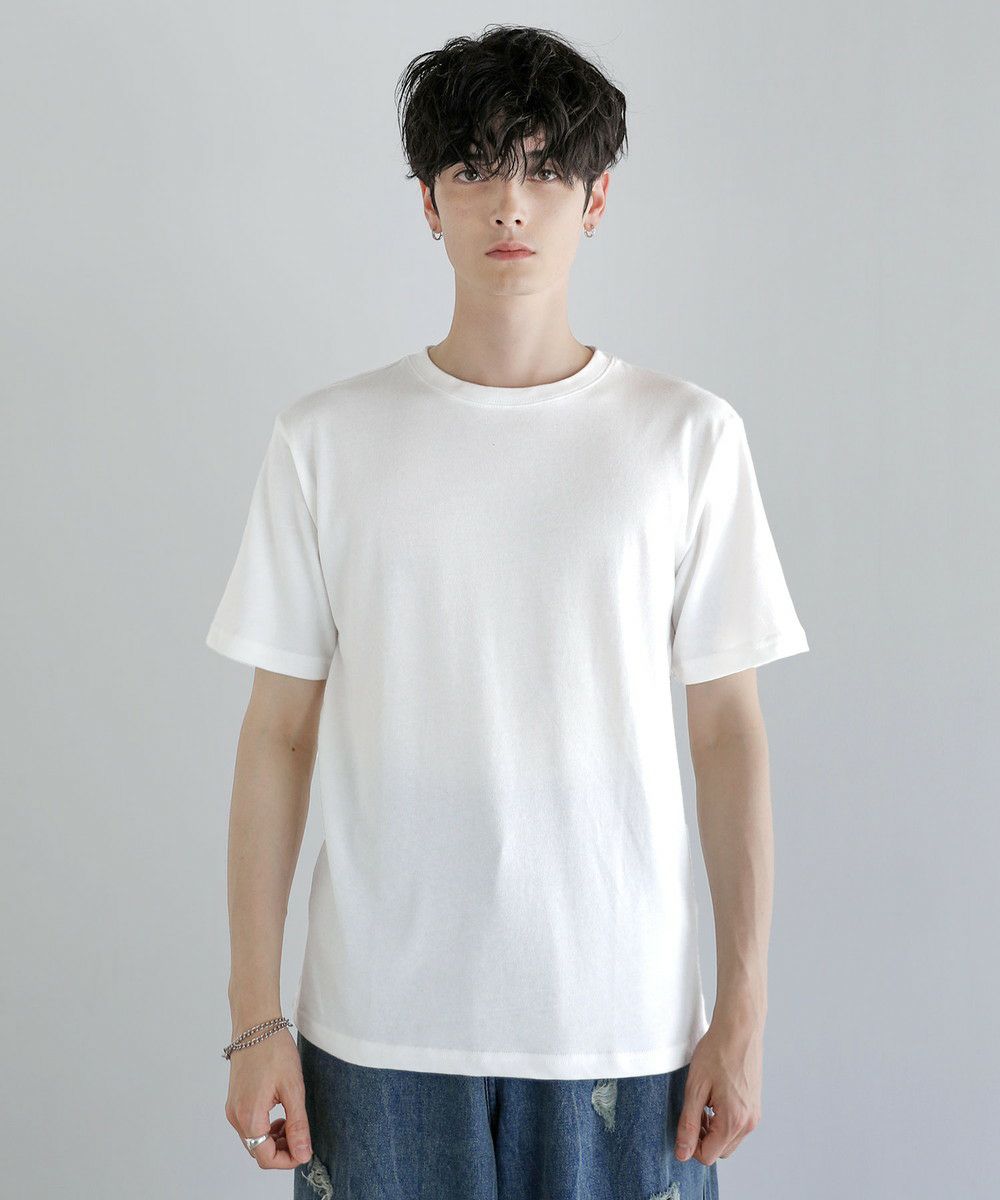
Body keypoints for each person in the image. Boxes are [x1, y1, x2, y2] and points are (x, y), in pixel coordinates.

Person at [206, 24, 809, 1199]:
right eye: (474, 169)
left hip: (622, 1029)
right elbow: (276, 734)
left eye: (543, 169)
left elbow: (727, 734)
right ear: (428, 203)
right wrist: (252, 1018)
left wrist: (740, 1012)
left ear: (596, 199)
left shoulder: (686, 439)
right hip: (376, 1031)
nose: (509, 203)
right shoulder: (326, 441)